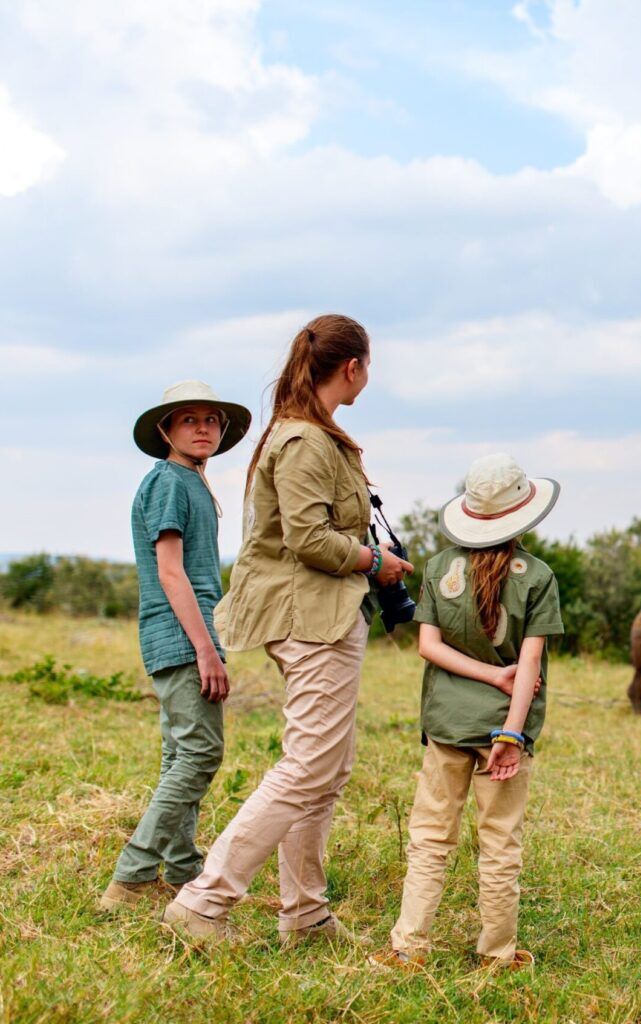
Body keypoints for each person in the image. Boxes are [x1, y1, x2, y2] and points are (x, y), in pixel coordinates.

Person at [162, 314, 413, 945]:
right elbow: (307, 540)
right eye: (368, 364)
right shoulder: (303, 440)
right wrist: (375, 561)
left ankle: (306, 915)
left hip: (321, 614)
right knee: (308, 768)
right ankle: (204, 901)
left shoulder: (314, 433)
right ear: (352, 367)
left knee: (326, 769)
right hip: (311, 618)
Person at [371, 453, 563, 971]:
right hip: (503, 730)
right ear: (524, 512)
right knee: (501, 841)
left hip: (447, 725)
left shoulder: (438, 567)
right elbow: (529, 666)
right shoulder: (539, 576)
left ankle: (408, 946)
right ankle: (497, 952)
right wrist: (512, 734)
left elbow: (428, 647)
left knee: (430, 836)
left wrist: (481, 674)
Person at [99, 381, 251, 912]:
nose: (203, 427)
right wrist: (207, 649)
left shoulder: (189, 482)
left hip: (183, 636)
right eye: (189, 420)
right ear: (166, 430)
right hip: (183, 638)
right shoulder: (168, 483)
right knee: (201, 753)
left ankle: (184, 868)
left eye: (211, 419)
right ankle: (132, 875)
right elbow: (170, 572)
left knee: (178, 754)